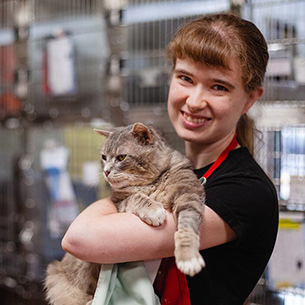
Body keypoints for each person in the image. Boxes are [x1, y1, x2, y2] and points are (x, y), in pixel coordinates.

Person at [62, 13, 279, 305]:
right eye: (186, 78)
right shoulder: (174, 168)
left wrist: (123, 196)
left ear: (251, 98)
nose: (194, 101)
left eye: (219, 86)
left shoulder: (244, 190)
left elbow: (80, 239)